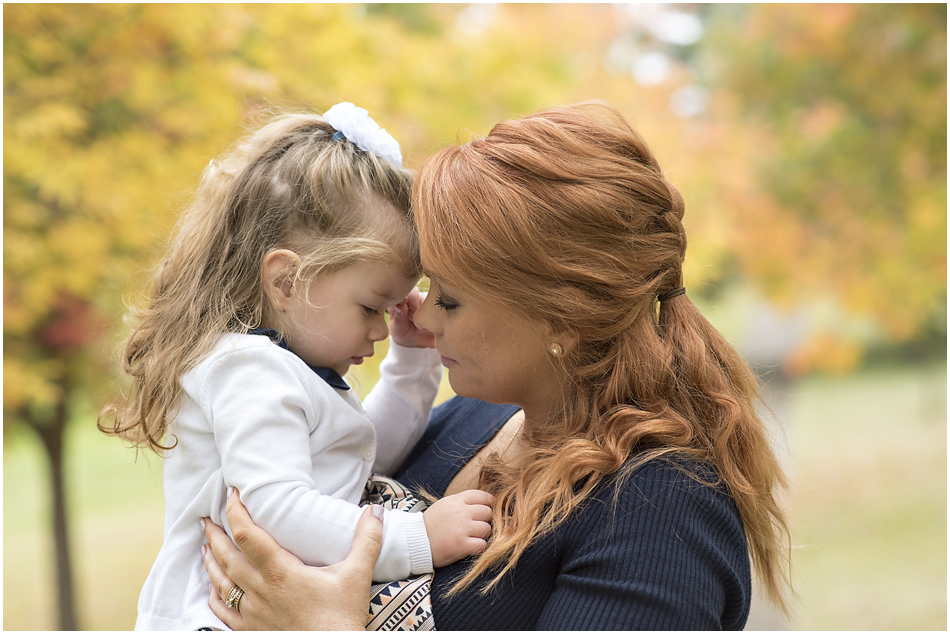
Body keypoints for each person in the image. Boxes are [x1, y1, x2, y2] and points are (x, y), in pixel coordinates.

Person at [200, 100, 792, 630]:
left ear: (562, 318)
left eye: (450, 299)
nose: (423, 320)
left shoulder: (658, 512)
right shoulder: (468, 421)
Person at [99, 103, 494, 631]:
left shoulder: (279, 368)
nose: (381, 328)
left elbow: (361, 450)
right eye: (370, 307)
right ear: (287, 282)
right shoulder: (248, 371)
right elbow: (277, 511)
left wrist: (411, 361)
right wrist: (415, 540)